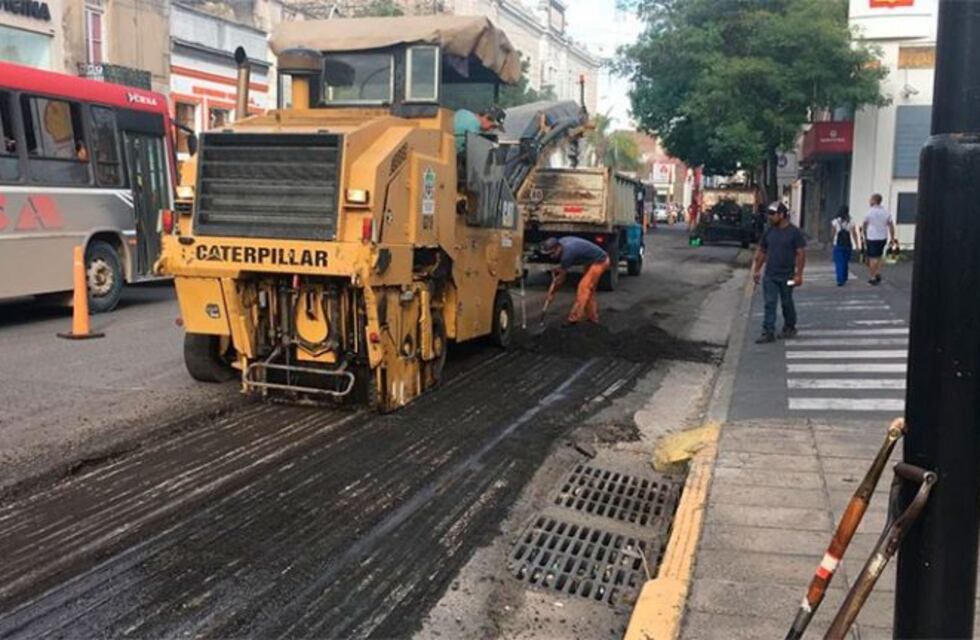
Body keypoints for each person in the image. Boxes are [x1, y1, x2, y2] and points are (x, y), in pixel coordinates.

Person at [752, 202, 806, 343]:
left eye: (773, 214)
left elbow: (800, 253)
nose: (770, 217)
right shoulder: (769, 232)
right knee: (770, 302)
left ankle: (790, 326)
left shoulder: (794, 232)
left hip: (788, 276)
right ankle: (768, 331)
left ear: (781, 215)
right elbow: (763, 251)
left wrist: (798, 274)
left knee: (787, 301)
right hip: (770, 275)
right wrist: (757, 270)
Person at [541, 236, 610, 324]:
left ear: (558, 247)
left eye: (552, 253)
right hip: (591, 261)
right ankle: (593, 318)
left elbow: (560, 279)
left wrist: (551, 293)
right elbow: (562, 271)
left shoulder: (568, 254)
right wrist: (560, 270)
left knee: (583, 287)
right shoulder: (562, 244)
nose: (552, 256)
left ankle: (574, 319)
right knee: (589, 290)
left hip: (601, 261)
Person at [861, 193, 896, 286]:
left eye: (871, 199)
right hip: (882, 237)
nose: (869, 201)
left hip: (871, 237)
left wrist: (864, 235)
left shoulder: (869, 212)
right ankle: (876, 273)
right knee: (879, 257)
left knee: (872, 258)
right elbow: (891, 225)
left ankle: (873, 277)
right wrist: (892, 238)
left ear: (874, 200)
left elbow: (864, 224)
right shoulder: (885, 212)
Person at [831, 205, 858, 286]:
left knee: (839, 262)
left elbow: (832, 232)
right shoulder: (851, 221)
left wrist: (831, 240)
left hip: (838, 243)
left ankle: (840, 279)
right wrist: (856, 244)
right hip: (847, 243)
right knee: (845, 261)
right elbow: (854, 233)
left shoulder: (835, 221)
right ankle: (845, 276)